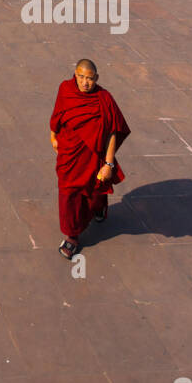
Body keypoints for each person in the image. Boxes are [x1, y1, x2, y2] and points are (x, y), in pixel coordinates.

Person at [49, 58, 130, 259]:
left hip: (94, 157)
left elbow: (113, 132)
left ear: (97, 78)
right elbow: (58, 113)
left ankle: (99, 206)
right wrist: (53, 134)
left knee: (94, 188)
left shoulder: (104, 99)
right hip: (70, 154)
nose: (85, 82)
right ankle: (73, 235)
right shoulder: (65, 89)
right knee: (68, 194)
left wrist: (109, 164)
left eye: (90, 79)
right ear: (75, 75)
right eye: (81, 77)